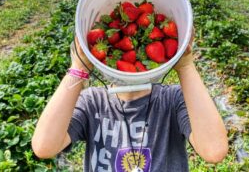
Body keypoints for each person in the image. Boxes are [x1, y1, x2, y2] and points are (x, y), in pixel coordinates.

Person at [32, 33, 229, 171]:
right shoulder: (92, 102)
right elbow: (44, 146)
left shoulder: (173, 100)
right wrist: (78, 67)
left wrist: (185, 66)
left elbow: (214, 151)